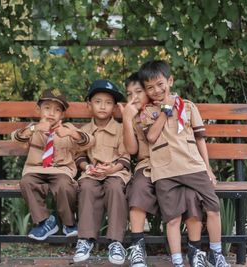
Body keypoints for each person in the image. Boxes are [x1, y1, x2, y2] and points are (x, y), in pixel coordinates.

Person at [137, 60, 231, 267]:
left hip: (192, 166)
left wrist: (208, 169)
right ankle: (177, 261)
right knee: (172, 218)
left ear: (170, 81)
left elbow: (200, 139)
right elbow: (151, 137)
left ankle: (216, 253)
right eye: (149, 88)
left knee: (213, 208)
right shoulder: (146, 113)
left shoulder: (188, 106)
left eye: (160, 84)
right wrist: (165, 111)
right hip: (165, 170)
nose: (156, 90)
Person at [119, 73, 204, 267]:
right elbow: (132, 150)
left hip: (173, 165)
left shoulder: (164, 109)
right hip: (147, 165)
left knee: (189, 193)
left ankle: (194, 248)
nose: (134, 98)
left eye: (139, 92)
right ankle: (138, 245)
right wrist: (126, 119)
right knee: (139, 187)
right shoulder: (135, 116)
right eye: (129, 94)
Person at [11, 89, 94, 241]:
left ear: (62, 115)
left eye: (57, 110)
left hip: (61, 171)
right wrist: (34, 129)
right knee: (26, 182)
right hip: (35, 170)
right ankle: (45, 222)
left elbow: (89, 142)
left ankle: (69, 223)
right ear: (39, 110)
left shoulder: (68, 128)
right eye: (47, 108)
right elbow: (16, 139)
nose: (51, 113)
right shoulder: (32, 128)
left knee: (64, 185)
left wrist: (72, 134)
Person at [73, 80, 131, 265]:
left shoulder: (121, 129)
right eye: (98, 101)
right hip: (92, 173)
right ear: (89, 105)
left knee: (114, 187)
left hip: (115, 172)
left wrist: (113, 168)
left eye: (108, 102)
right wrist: (87, 167)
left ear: (114, 107)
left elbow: (126, 156)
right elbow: (79, 157)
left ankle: (116, 242)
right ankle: (86, 239)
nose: (103, 106)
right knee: (87, 187)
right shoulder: (83, 131)